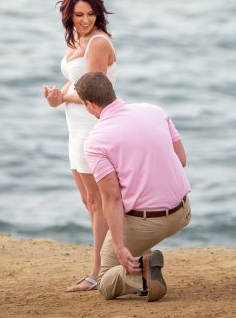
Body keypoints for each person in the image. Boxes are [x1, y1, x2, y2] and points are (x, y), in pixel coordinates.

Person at [75, 71, 191, 302]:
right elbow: (181, 160)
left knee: (105, 279)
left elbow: (112, 199)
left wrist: (119, 246)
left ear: (89, 104)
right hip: (183, 212)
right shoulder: (154, 110)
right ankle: (143, 258)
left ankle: (145, 272)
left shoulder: (96, 141)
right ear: (111, 91)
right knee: (134, 226)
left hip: (148, 222)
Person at [43, 0, 117, 292]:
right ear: (69, 15)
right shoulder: (78, 38)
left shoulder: (98, 43)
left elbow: (93, 89)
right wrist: (57, 94)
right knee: (90, 201)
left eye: (89, 14)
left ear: (98, 13)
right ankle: (112, 264)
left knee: (100, 203)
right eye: (78, 14)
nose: (84, 20)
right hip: (74, 128)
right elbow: (75, 80)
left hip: (92, 126)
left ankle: (98, 271)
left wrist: (63, 98)